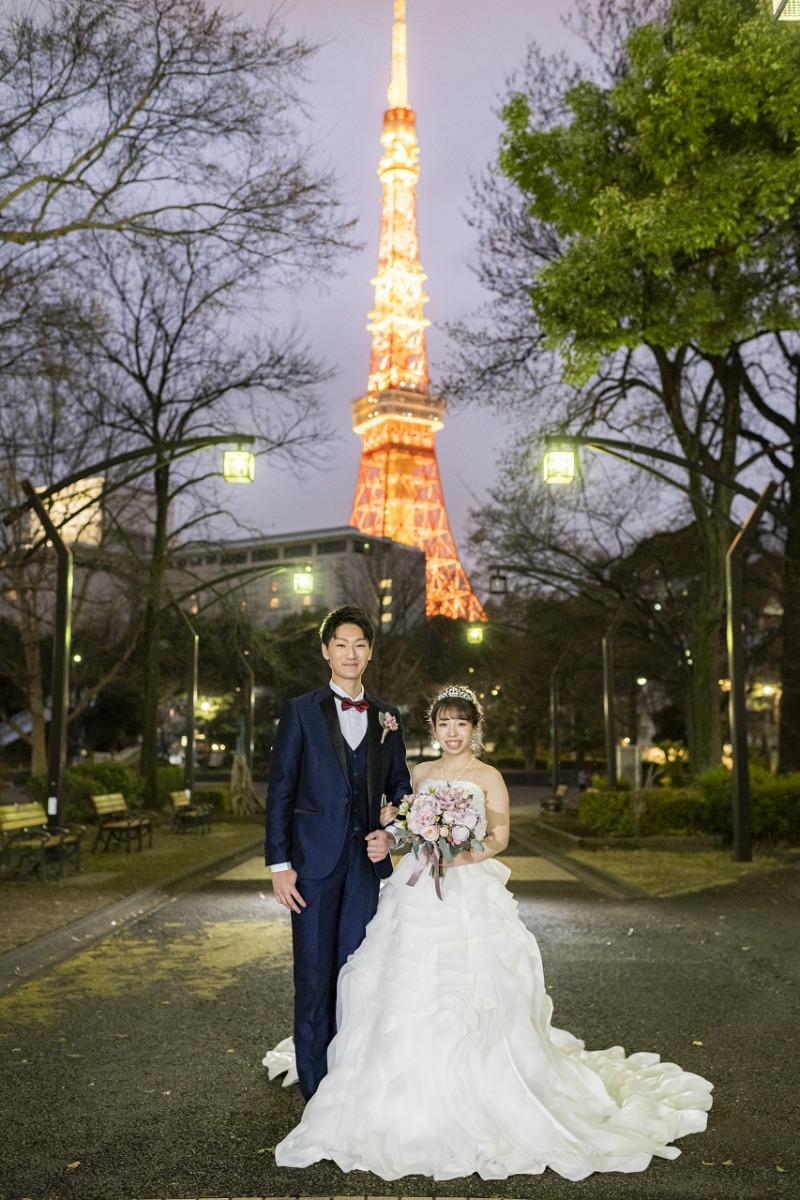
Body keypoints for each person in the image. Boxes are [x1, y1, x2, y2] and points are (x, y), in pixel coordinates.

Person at [267, 683, 713, 1182]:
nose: (452, 732)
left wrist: (456, 854)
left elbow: (499, 837)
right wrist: (401, 830)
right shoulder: (420, 774)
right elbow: (401, 818)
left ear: (475, 730)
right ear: (433, 730)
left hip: (466, 889)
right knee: (397, 981)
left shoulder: (489, 777)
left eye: (461, 723)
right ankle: (390, 1087)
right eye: (443, 724)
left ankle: (480, 1091)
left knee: (474, 990)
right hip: (415, 890)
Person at [264, 605, 411, 1100]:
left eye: (360, 645)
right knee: (313, 977)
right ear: (326, 651)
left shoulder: (389, 717)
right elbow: (281, 789)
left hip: (364, 868)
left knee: (356, 976)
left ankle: (350, 1085)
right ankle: (315, 1094)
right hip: (310, 865)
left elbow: (401, 788)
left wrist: (391, 836)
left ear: (370, 653)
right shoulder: (301, 711)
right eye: (341, 645)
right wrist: (279, 865)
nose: (351, 654)